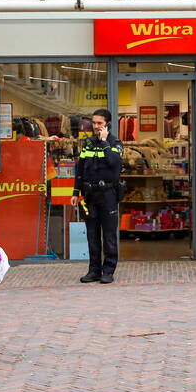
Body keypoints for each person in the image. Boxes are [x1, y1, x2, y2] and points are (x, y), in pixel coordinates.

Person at [71, 108, 123, 284]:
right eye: (94, 123)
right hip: (90, 195)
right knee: (92, 235)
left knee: (108, 235)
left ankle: (108, 271)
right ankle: (94, 270)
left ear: (107, 124)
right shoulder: (88, 143)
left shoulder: (115, 143)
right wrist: (76, 192)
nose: (96, 126)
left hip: (108, 194)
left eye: (99, 123)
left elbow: (114, 163)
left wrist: (104, 142)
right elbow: (80, 169)